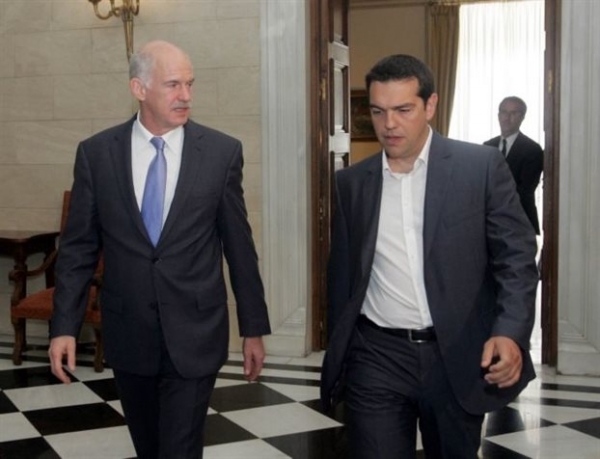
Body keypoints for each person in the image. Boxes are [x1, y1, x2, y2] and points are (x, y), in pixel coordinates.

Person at [48, 40, 271, 459]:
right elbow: (78, 250)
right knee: (149, 447)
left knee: (179, 449)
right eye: (173, 85)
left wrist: (253, 328)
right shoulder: (97, 154)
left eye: (190, 84)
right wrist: (64, 326)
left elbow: (240, 247)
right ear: (139, 88)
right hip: (128, 332)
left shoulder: (221, 153)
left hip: (197, 331)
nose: (186, 95)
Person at [320, 54, 538, 458]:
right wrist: (343, 352)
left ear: (431, 105)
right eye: (378, 111)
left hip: (455, 354)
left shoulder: (479, 168)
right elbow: (343, 276)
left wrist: (510, 331)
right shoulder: (352, 183)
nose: (389, 124)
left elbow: (516, 258)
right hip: (377, 356)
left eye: (403, 110)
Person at [484, 96, 544, 234]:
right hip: (490, 223)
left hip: (520, 222)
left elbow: (525, 190)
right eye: (504, 112)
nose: (507, 118)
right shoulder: (487, 147)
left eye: (513, 113)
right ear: (498, 116)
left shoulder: (532, 150)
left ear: (522, 117)